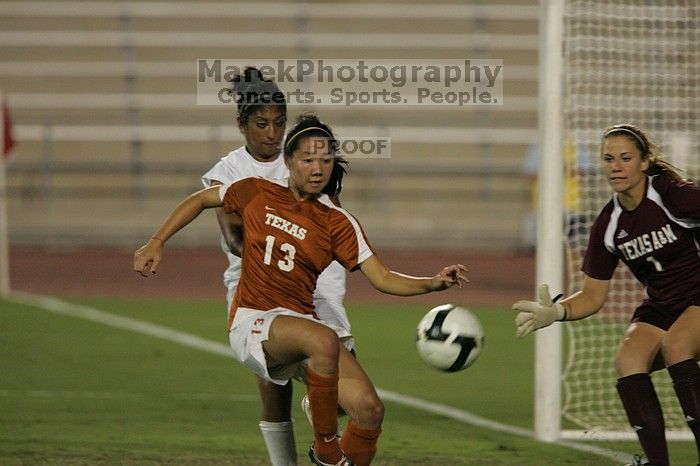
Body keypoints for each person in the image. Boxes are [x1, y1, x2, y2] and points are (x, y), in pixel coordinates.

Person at [135, 113, 468, 466]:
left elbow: (383, 278)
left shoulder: (338, 222)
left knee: (369, 410)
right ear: (289, 161)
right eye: (308, 159)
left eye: (326, 160)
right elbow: (200, 200)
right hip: (255, 321)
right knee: (324, 340)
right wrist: (156, 241)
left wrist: (433, 283)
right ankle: (326, 451)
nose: (317, 168)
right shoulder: (256, 192)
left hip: (300, 324)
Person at [512, 124, 700, 466]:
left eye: (625, 158)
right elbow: (592, 296)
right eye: (609, 159)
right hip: (663, 304)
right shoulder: (609, 223)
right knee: (628, 359)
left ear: (644, 162)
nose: (616, 166)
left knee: (676, 346)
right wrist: (556, 312)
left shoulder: (671, 194)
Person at [201, 67, 354, 465]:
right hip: (258, 287)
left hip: (319, 284)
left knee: (344, 398)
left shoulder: (304, 156)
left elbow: (332, 217)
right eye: (261, 124)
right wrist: (285, 237)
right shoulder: (229, 171)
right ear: (241, 125)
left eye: (279, 123)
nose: (271, 133)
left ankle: (318, 414)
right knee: (274, 389)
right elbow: (235, 240)